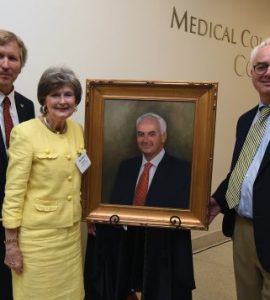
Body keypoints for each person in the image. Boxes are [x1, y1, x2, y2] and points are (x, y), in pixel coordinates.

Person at [84, 112, 195, 300]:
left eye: (152, 134)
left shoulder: (182, 169)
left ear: (164, 136)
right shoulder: (126, 166)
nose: (145, 139)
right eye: (140, 134)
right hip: (127, 241)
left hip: (162, 246)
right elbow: (115, 206)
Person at [2, 66, 86, 300]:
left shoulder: (78, 131)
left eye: (68, 94)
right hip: (37, 241)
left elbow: (81, 174)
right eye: (54, 95)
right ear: (43, 99)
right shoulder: (25, 133)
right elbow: (14, 192)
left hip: (69, 236)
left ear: (76, 99)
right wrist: (11, 244)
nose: (62, 101)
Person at [209, 38, 270, 300]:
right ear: (251, 73)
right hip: (243, 230)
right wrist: (217, 200)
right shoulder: (247, 120)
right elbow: (242, 171)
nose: (267, 73)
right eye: (261, 66)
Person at [0, 29, 35, 300]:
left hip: (19, 217)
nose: (5, 64)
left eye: (13, 58)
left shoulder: (27, 106)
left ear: (21, 66)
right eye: (0, 56)